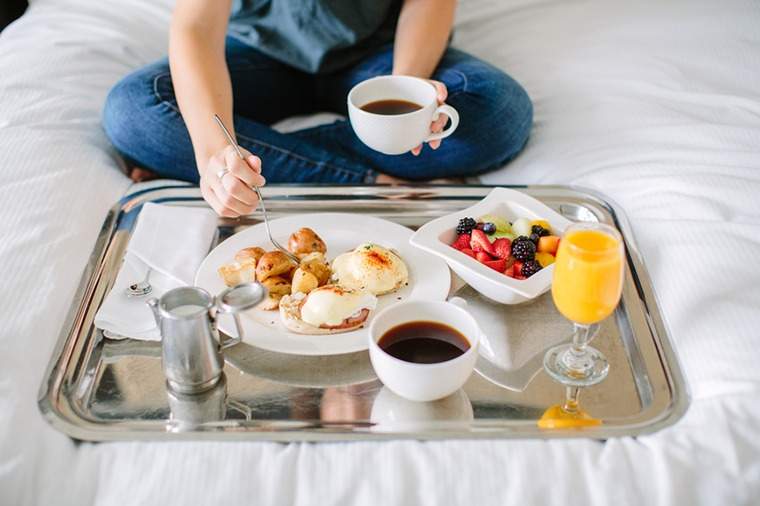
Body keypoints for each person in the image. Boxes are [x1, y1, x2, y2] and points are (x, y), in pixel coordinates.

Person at [103, 0, 532, 217]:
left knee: (498, 112)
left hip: (377, 55)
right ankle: (371, 181)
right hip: (258, 52)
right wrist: (213, 150)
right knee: (133, 110)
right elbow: (196, 25)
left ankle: (195, 157)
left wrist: (408, 88)